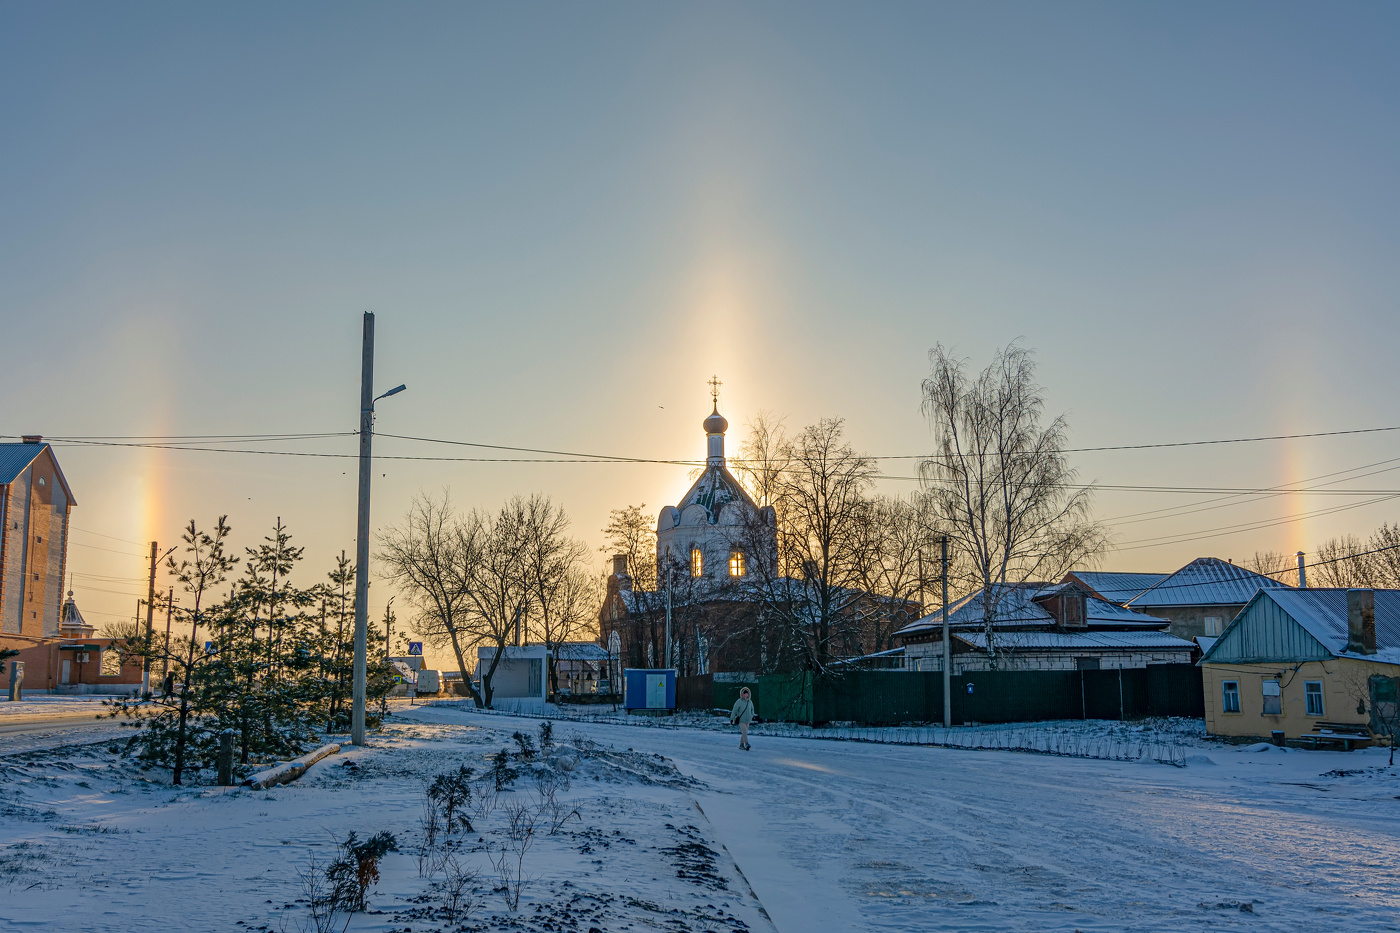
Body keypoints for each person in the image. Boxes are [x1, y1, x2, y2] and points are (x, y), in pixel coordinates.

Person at [730, 686, 755, 750]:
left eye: (747, 694)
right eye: (744, 694)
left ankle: (741, 745)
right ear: (742, 694)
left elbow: (752, 709)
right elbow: (735, 710)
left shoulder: (750, 702)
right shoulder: (739, 701)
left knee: (744, 733)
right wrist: (732, 718)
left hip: (748, 720)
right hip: (741, 720)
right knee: (744, 731)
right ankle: (746, 743)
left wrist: (751, 715)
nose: (746, 695)